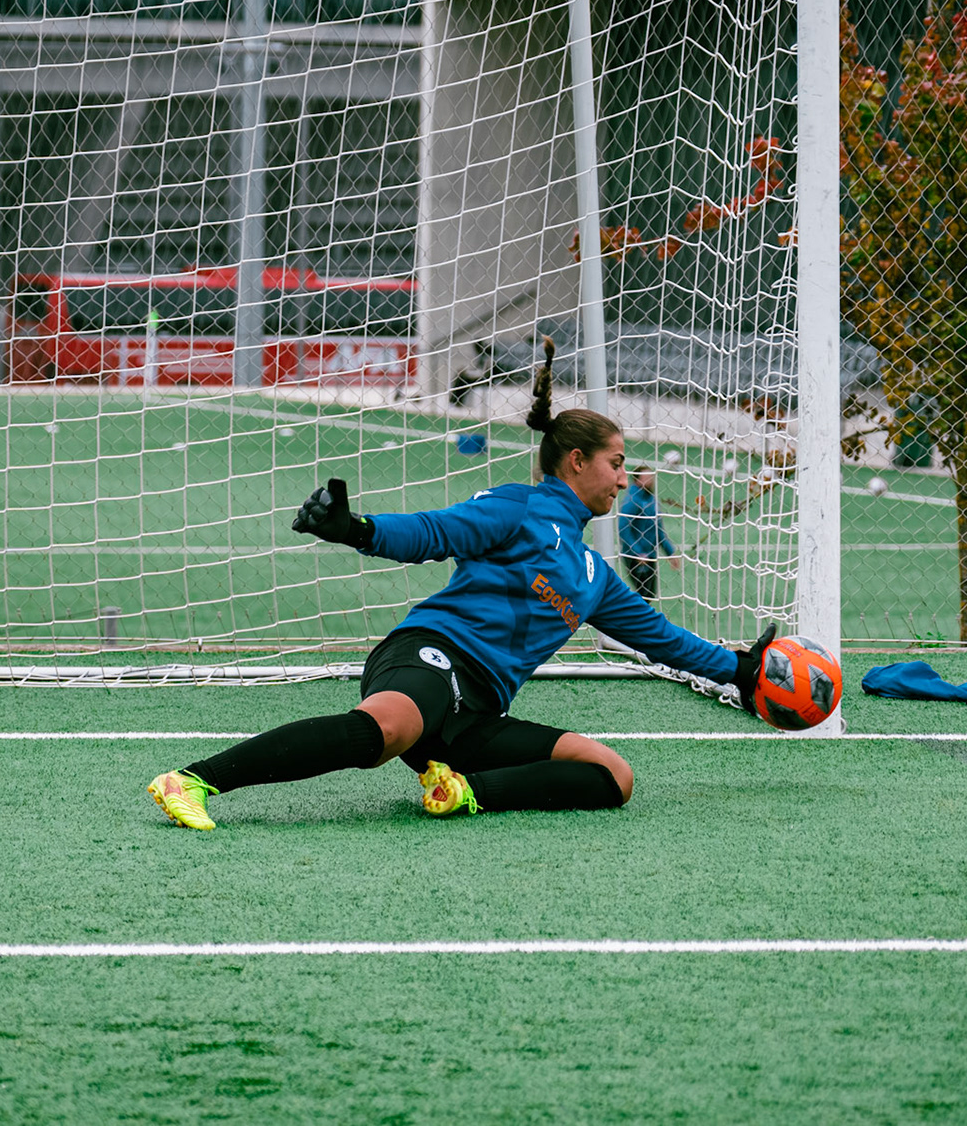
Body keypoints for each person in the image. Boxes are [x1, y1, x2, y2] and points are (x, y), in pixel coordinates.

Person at [146, 340, 775, 830]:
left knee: (612, 775)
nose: (622, 477)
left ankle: (461, 791)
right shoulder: (518, 507)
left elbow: (662, 638)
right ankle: (193, 781)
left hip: (477, 710)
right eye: (615, 463)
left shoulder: (593, 577)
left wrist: (739, 670)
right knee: (386, 729)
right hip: (431, 655)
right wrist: (357, 528)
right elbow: (434, 531)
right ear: (577, 462)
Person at [618, 465, 681, 600]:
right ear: (637, 480)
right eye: (646, 477)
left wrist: (670, 553)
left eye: (651, 476)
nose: (650, 479)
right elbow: (623, 528)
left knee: (649, 595)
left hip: (650, 556)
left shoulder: (651, 500)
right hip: (636, 557)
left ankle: (638, 619)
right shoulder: (632, 500)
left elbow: (658, 530)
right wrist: (637, 552)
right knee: (644, 595)